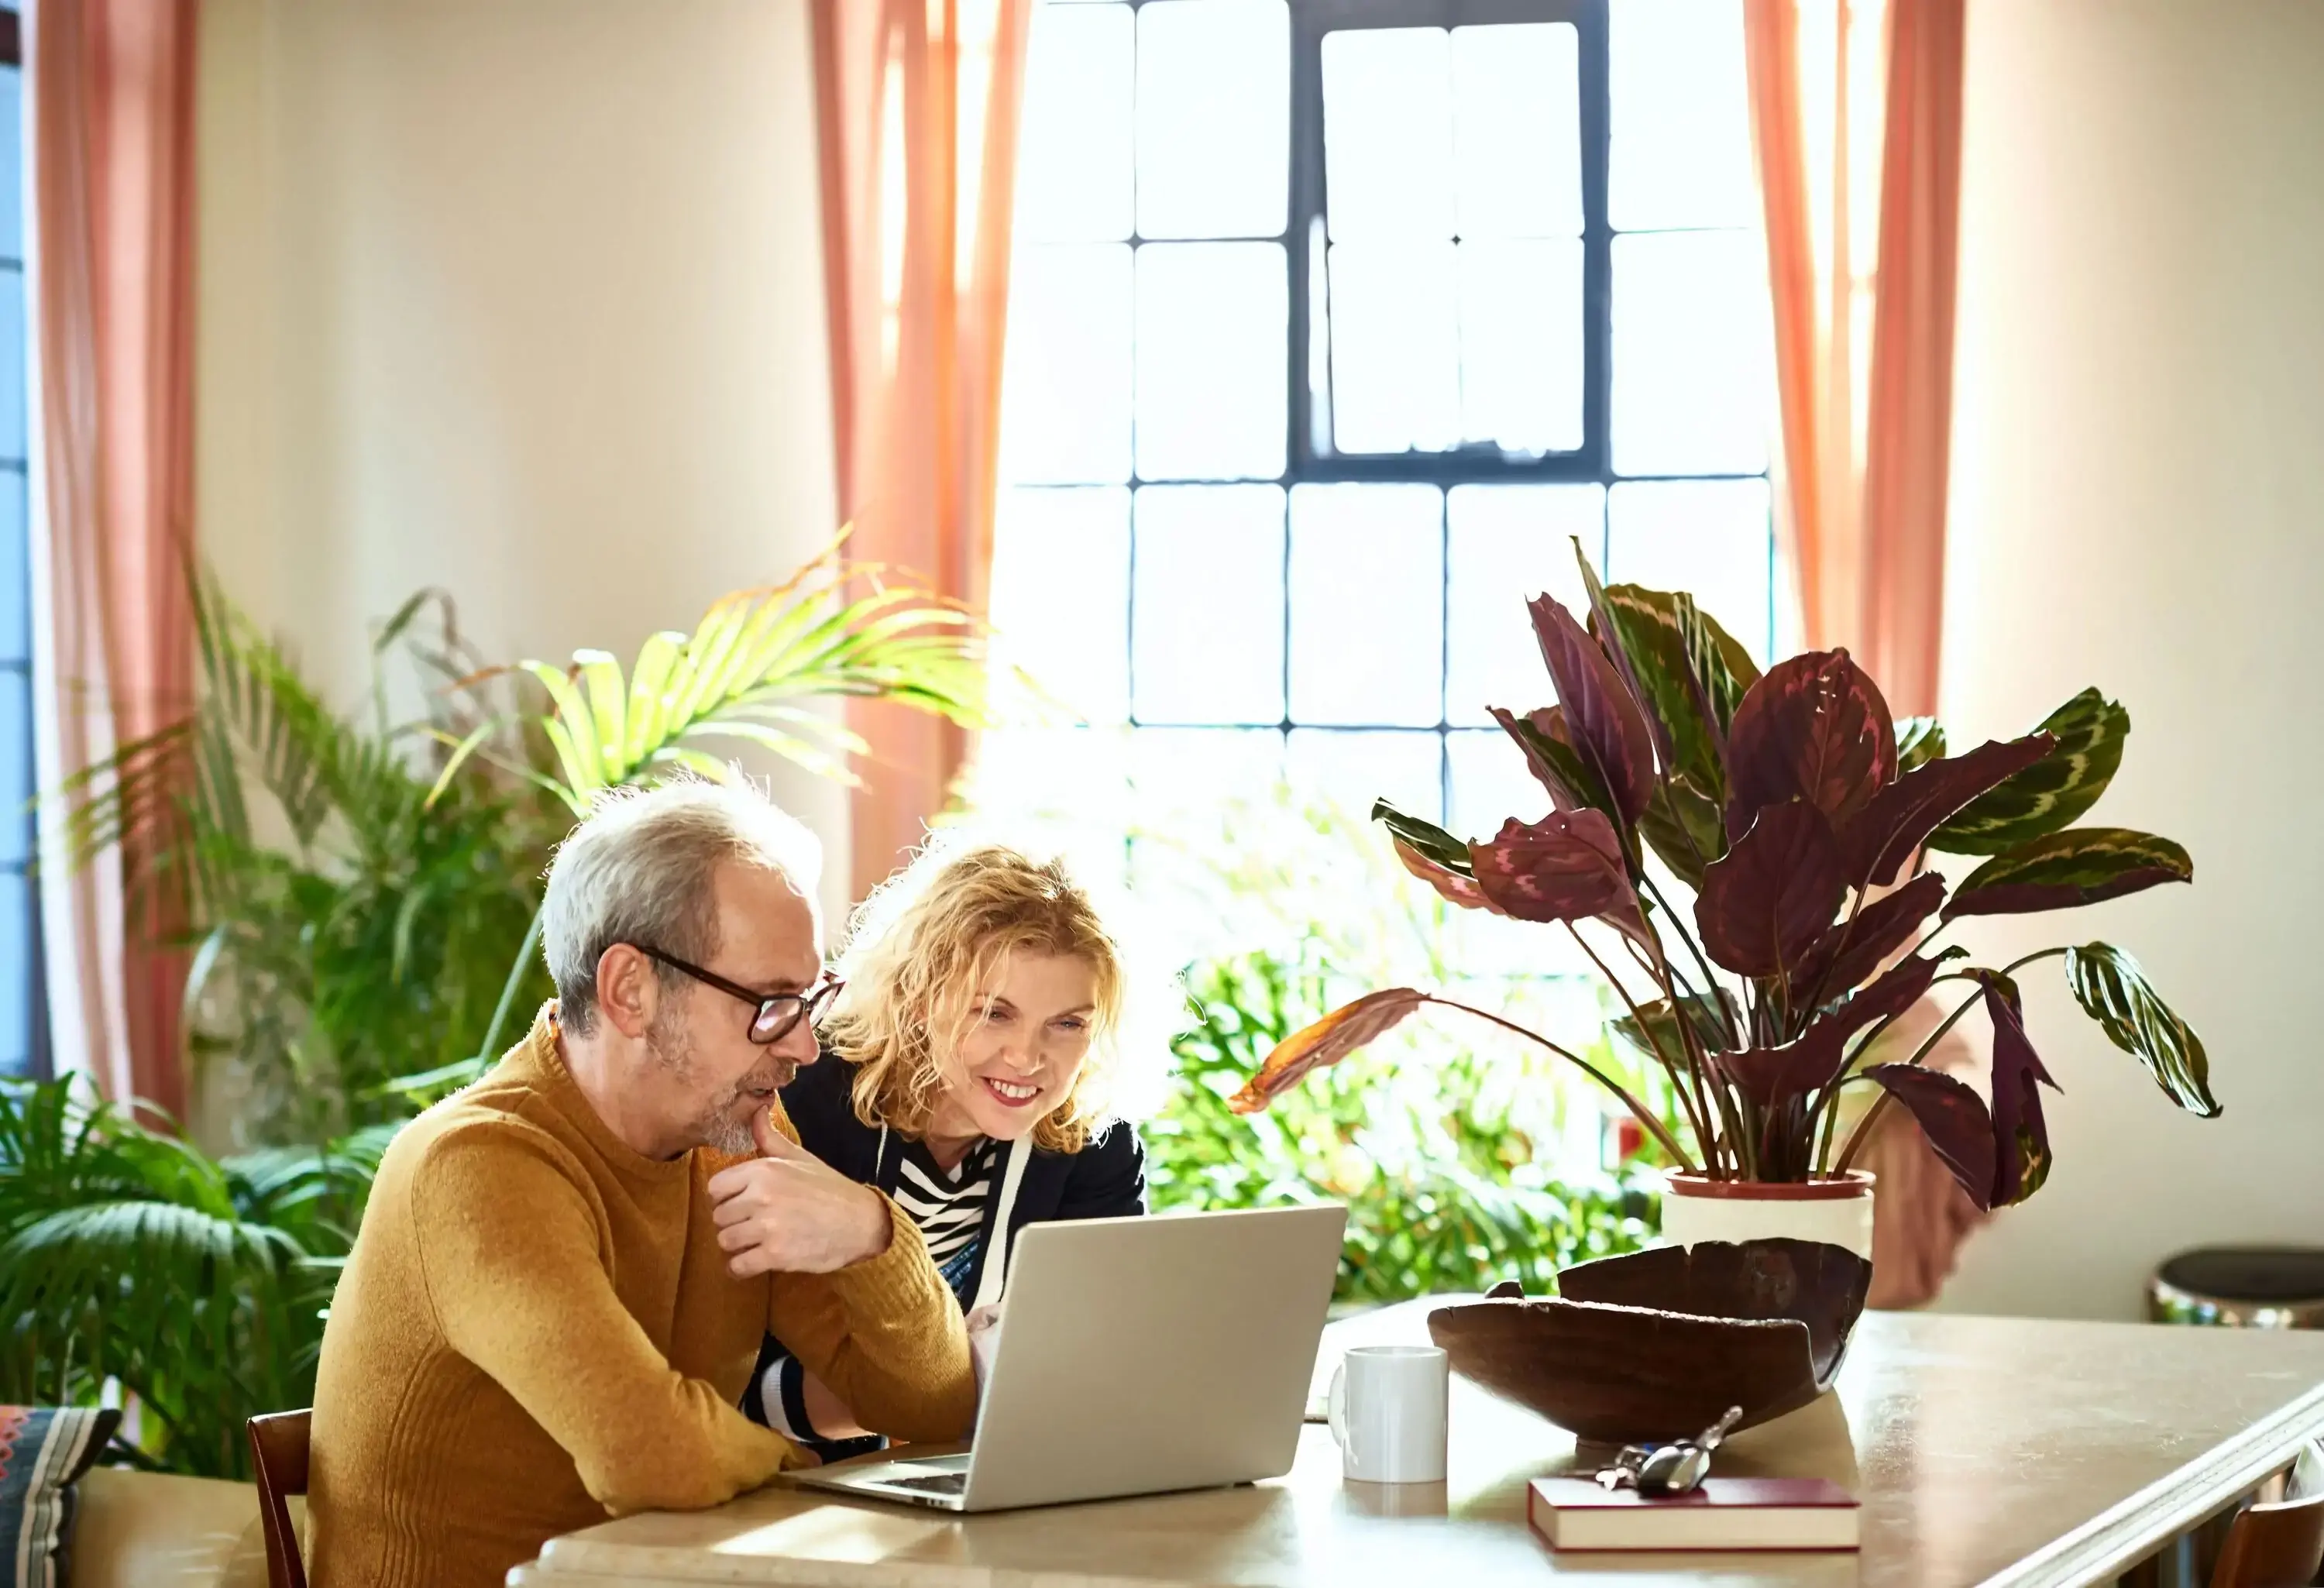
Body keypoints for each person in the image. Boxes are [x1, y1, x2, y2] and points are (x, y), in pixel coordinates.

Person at [307, 781, 976, 1588]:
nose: (804, 1044)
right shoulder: (479, 1163)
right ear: (630, 989)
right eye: (770, 1004)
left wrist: (873, 1233)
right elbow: (649, 1456)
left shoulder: (735, 1141)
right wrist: (799, 1461)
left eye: (809, 998)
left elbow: (937, 1412)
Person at [747, 840, 1149, 1457]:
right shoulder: (800, 1101)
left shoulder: (1096, 1144)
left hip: (982, 1475)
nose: (1027, 1058)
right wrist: (944, 1396)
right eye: (993, 1013)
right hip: (792, 1488)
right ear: (916, 995)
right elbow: (737, 1384)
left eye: (1067, 1023)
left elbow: (1097, 1360)